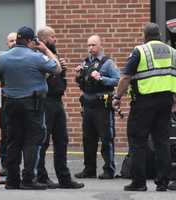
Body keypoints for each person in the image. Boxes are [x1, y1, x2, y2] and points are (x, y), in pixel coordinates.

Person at [0, 26, 61, 190]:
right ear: (28, 40)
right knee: (32, 142)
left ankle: (12, 180)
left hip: (10, 105)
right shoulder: (36, 57)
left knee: (13, 142)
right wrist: (46, 49)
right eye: (33, 40)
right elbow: (57, 68)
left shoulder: (3, 57)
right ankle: (28, 179)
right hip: (32, 105)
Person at [112, 22, 176, 192]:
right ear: (159, 35)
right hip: (166, 102)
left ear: (145, 35)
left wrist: (117, 97)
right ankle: (162, 182)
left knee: (137, 140)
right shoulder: (172, 52)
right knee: (162, 141)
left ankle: (139, 182)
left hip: (144, 103)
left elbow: (125, 77)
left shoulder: (140, 51)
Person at [36, 26, 84, 189]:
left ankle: (64, 178)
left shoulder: (54, 54)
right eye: (52, 36)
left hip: (57, 102)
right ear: (43, 39)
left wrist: (62, 68)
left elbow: (58, 76)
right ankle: (41, 177)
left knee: (62, 140)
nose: (55, 39)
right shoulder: (38, 55)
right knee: (43, 141)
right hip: (45, 102)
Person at [74, 35, 120, 179]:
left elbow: (117, 79)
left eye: (93, 45)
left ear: (100, 45)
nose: (90, 48)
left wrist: (101, 78)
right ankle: (89, 169)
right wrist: (78, 75)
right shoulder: (86, 62)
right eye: (88, 45)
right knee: (88, 139)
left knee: (106, 138)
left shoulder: (108, 63)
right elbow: (82, 84)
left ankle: (109, 170)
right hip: (88, 106)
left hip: (102, 107)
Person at [0, 32, 17, 177]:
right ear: (7, 44)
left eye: (16, 40)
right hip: (6, 104)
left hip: (24, 103)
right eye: (11, 41)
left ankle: (24, 167)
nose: (13, 43)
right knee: (6, 135)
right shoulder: (3, 59)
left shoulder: (27, 58)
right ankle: (6, 166)